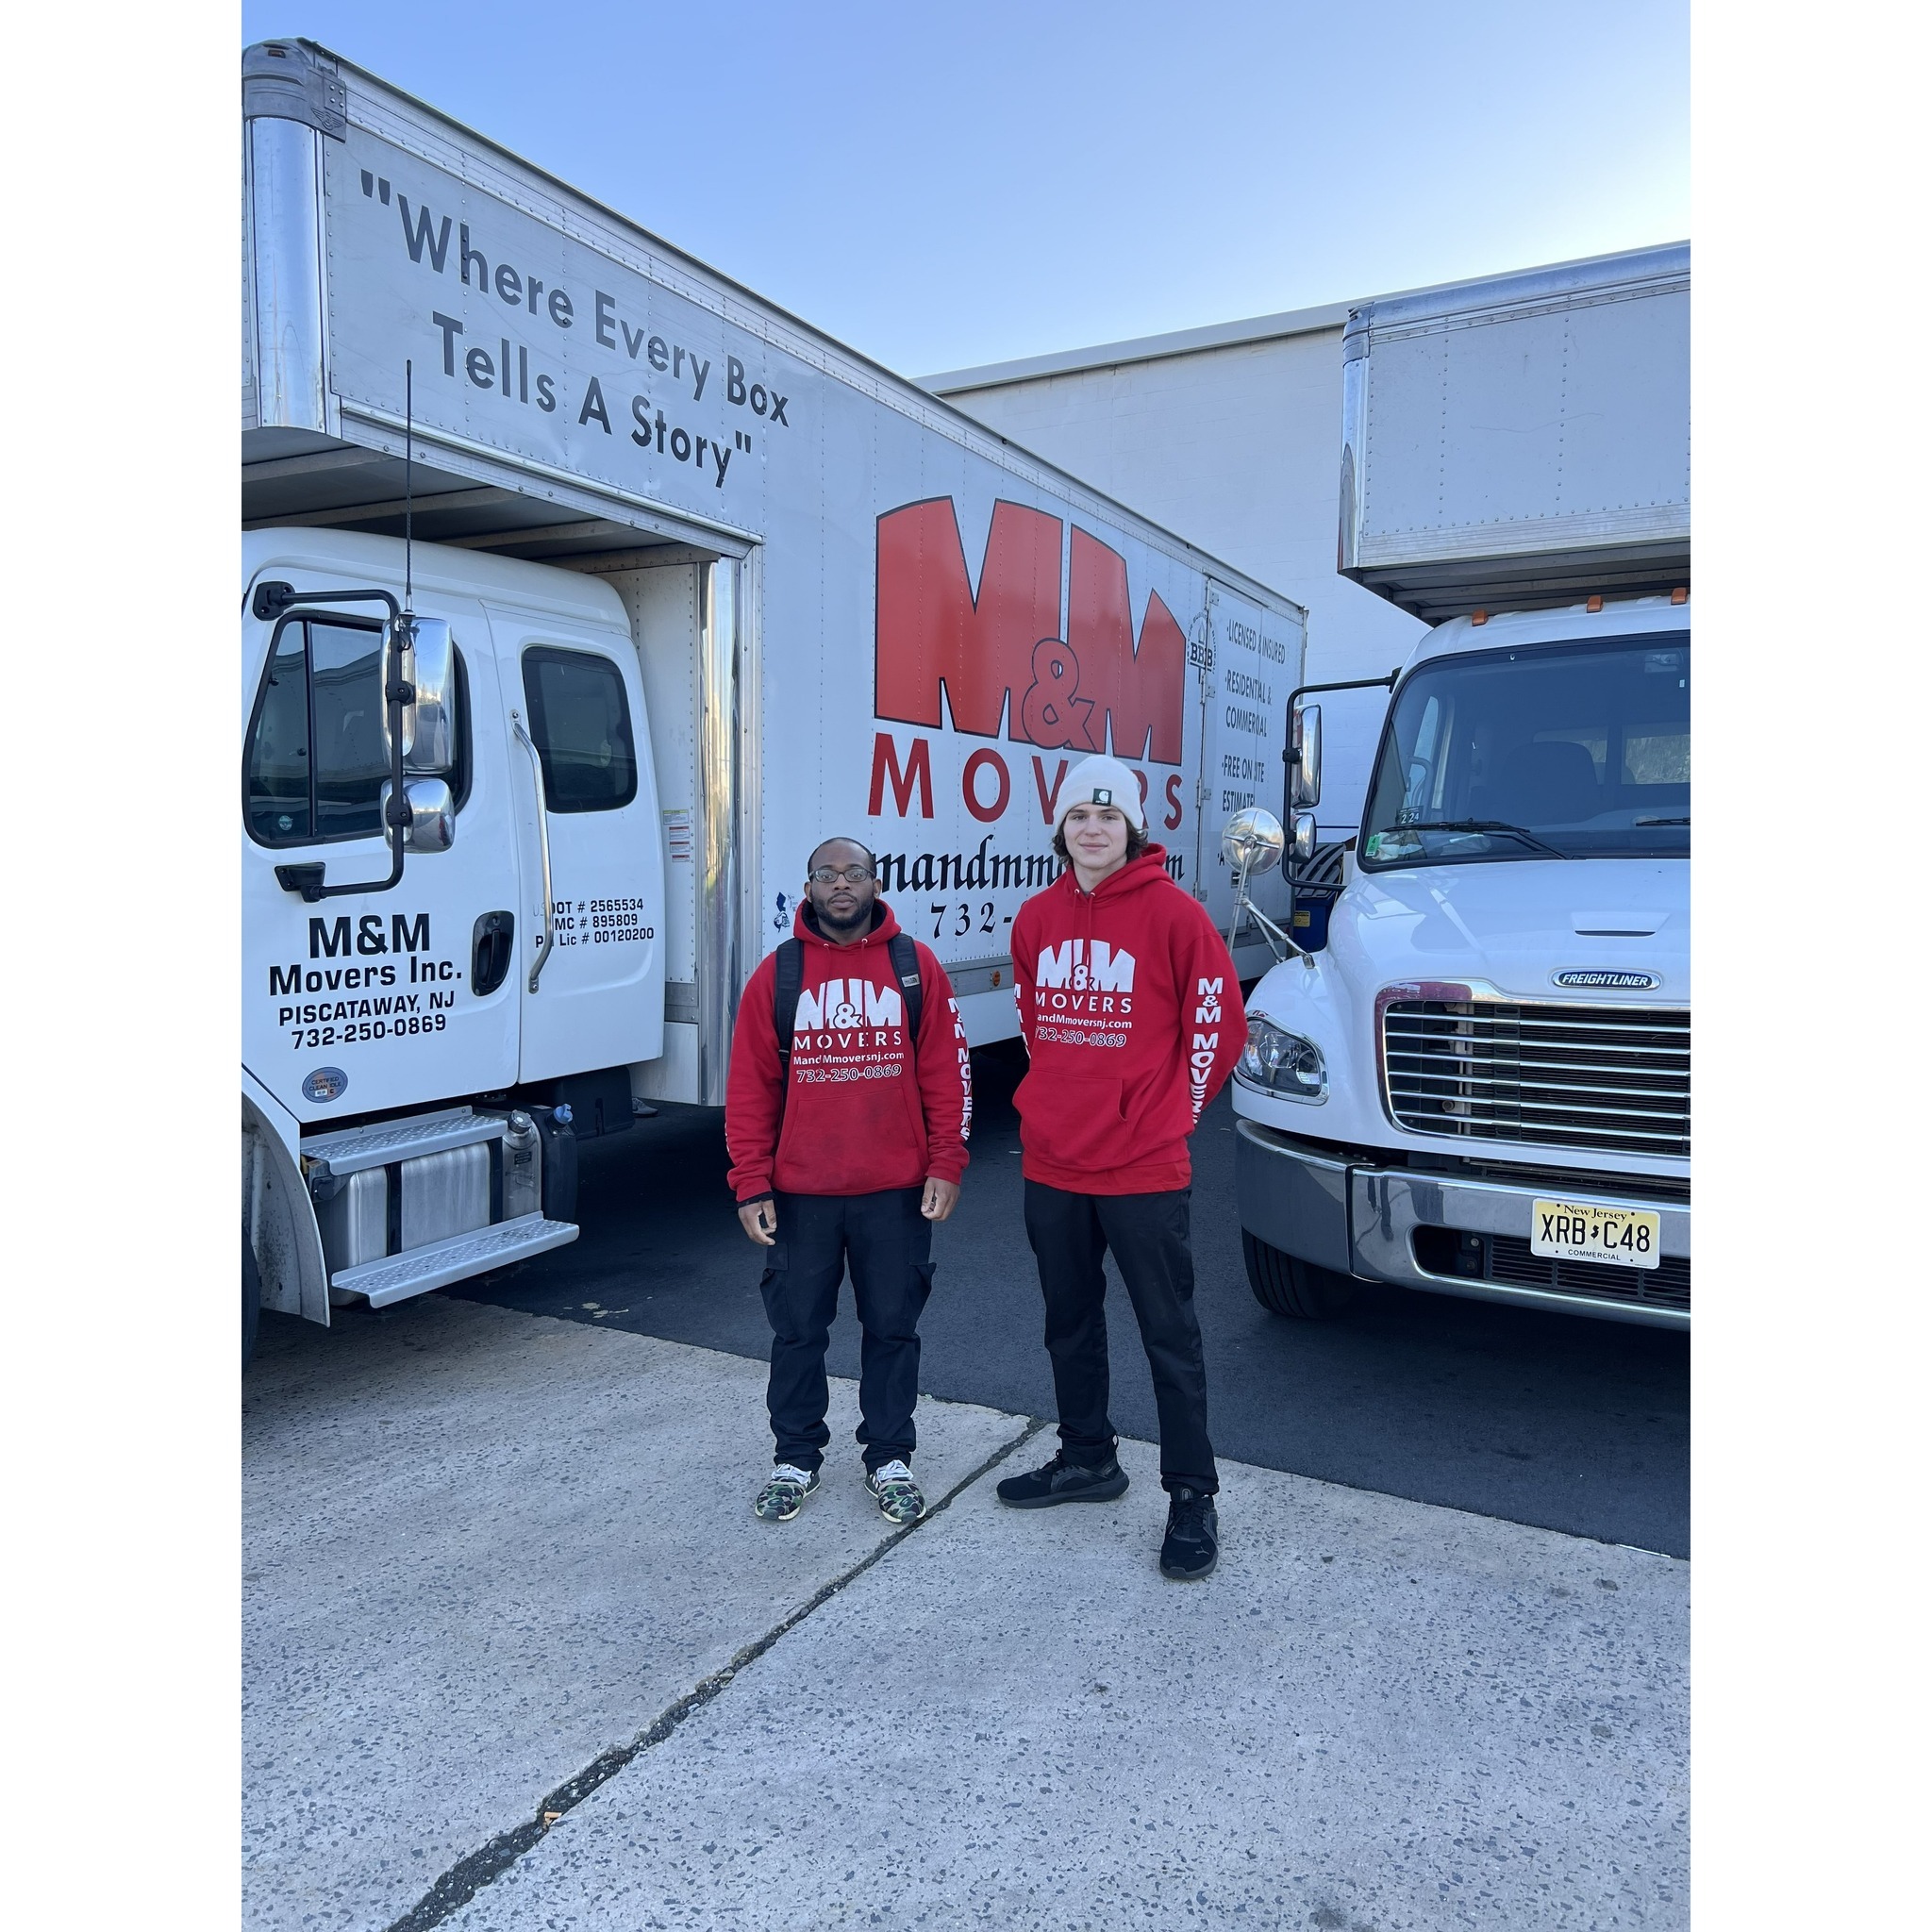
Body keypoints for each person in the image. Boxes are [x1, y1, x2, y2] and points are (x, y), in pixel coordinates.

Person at [994, 754, 1245, 1580]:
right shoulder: (1033, 919)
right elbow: (1034, 1027)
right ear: (1061, 829)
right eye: (1077, 818)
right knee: (1068, 1322)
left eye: (1107, 817)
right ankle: (1088, 1458)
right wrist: (1055, 1105)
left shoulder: (1177, 917)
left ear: (1132, 827)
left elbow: (1218, 1031)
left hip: (1143, 1166)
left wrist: (1167, 1116)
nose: (1092, 829)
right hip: (1055, 1161)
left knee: (1168, 1334)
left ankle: (1191, 1495)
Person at [725, 837, 972, 1527]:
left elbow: (945, 1077)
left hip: (894, 1193)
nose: (841, 884)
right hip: (801, 1195)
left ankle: (890, 1457)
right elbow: (749, 1090)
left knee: (893, 1329)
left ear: (876, 883)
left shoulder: (914, 967)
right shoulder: (777, 977)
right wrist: (751, 1182)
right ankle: (794, 1459)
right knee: (798, 1331)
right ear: (807, 888)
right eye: (827, 874)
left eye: (854, 873)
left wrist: (946, 1162)